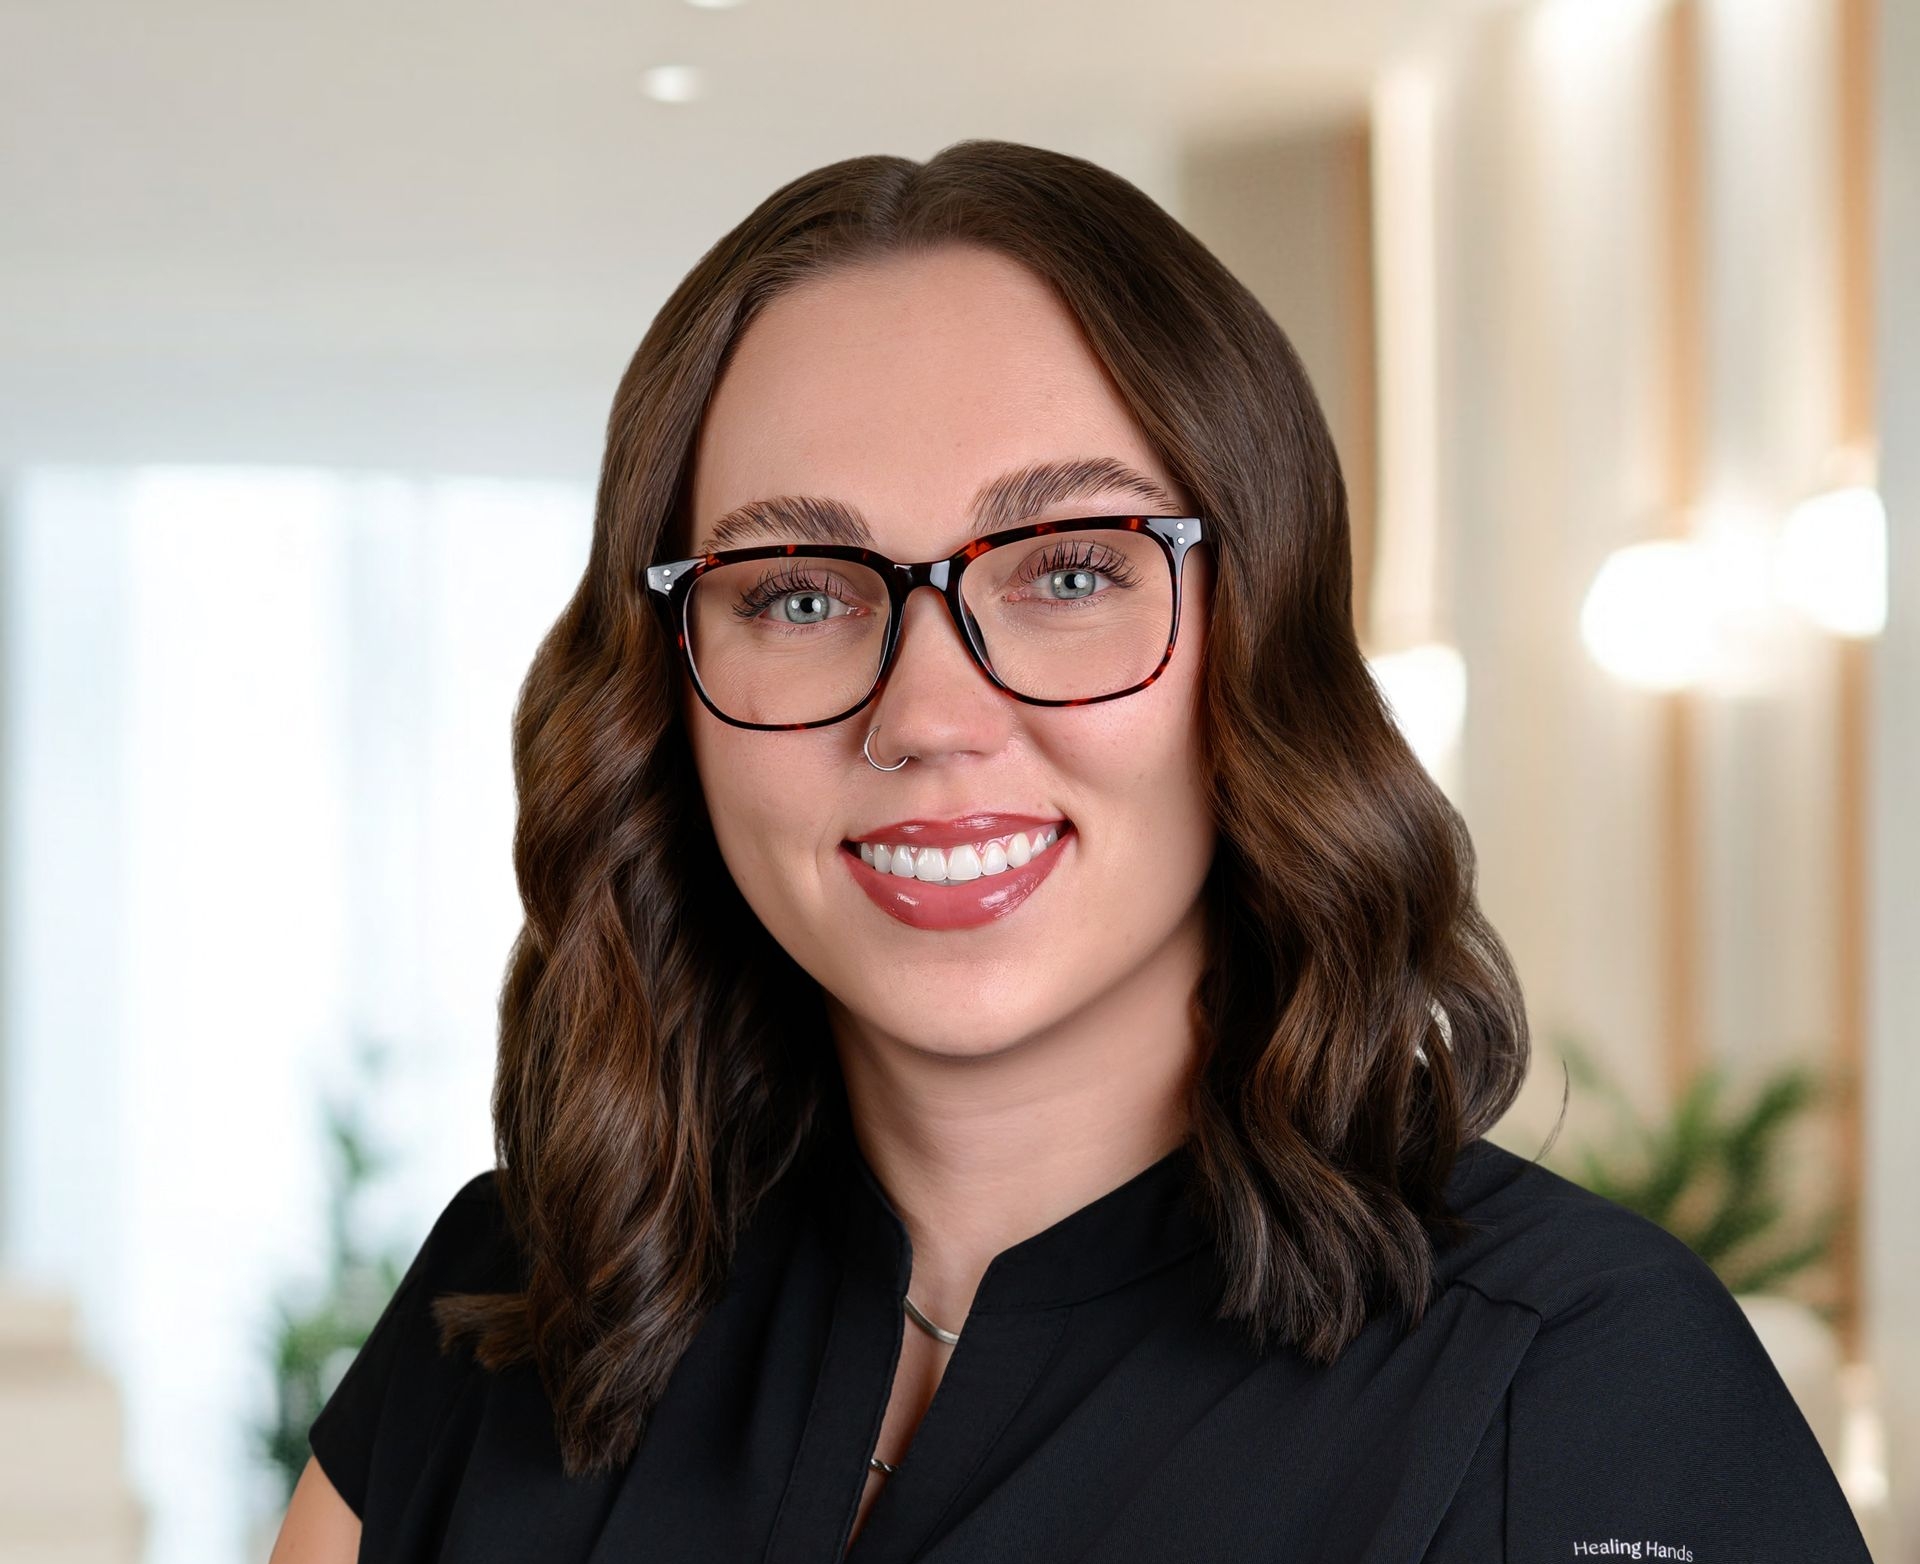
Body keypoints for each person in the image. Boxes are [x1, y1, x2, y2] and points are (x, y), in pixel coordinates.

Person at [270, 139, 1873, 1564]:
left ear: (1259, 639)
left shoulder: (1580, 1379)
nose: (928, 713)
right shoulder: (510, 1310)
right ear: (662, 700)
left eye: (1073, 570)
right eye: (801, 596)